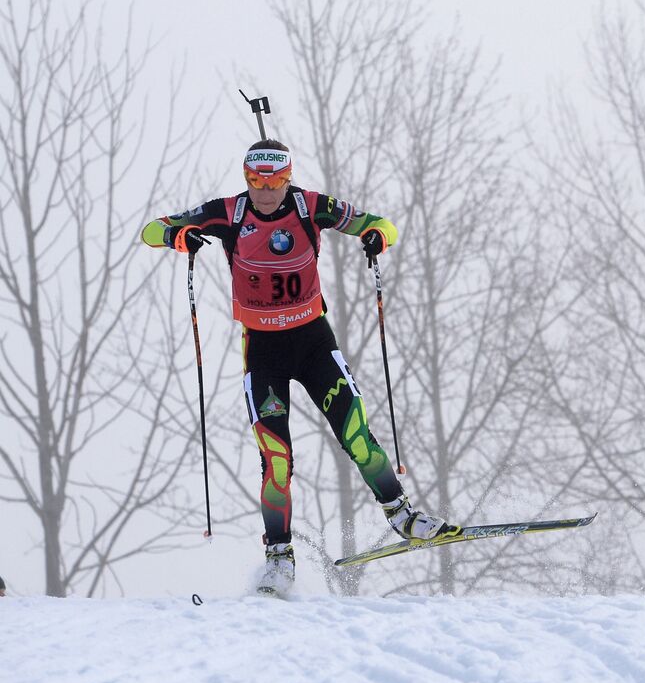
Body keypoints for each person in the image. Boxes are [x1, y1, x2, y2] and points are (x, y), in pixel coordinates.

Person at [142, 139, 450, 596]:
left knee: (357, 435)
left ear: (289, 175)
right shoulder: (227, 212)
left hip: (312, 343)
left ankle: (403, 516)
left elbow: (381, 223)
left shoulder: (310, 206)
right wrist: (177, 235)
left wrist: (377, 236)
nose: (265, 188)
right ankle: (279, 560)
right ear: (246, 177)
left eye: (276, 178)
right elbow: (152, 228)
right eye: (255, 178)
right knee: (277, 460)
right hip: (263, 353)